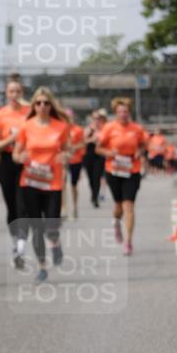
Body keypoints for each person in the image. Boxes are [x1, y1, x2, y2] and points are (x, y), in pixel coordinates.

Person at [12, 87, 70, 282]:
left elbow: (68, 150)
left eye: (46, 103)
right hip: (30, 182)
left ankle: (55, 243)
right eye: (38, 103)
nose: (42, 106)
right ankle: (43, 266)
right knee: (37, 226)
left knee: (51, 226)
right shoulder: (26, 126)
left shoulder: (60, 126)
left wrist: (65, 156)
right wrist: (19, 157)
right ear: (34, 106)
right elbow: (16, 153)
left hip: (53, 183)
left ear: (51, 105)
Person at [96, 97, 148, 256]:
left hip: (132, 170)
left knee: (128, 206)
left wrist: (139, 151)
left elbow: (143, 145)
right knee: (118, 206)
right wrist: (109, 152)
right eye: (119, 111)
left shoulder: (137, 128)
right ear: (115, 113)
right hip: (114, 170)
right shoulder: (109, 128)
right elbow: (98, 148)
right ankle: (116, 223)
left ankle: (128, 242)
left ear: (129, 112)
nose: (123, 114)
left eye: (125, 111)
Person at [0, 78, 29, 267]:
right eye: (11, 91)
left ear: (22, 93)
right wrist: (13, 138)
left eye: (17, 91)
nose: (14, 95)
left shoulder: (29, 112)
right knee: (12, 206)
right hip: (6, 162)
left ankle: (21, 248)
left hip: (24, 162)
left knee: (23, 206)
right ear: (6, 94)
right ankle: (15, 244)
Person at [83, 109, 107, 208]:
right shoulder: (88, 129)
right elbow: (83, 142)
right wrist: (92, 139)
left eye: (99, 118)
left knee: (97, 177)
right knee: (90, 178)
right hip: (89, 155)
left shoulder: (104, 129)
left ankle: (95, 197)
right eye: (95, 118)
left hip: (99, 156)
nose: (97, 120)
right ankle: (93, 193)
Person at [65, 111, 86, 219]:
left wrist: (73, 147)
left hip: (75, 160)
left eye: (70, 117)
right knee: (62, 185)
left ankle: (74, 206)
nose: (68, 119)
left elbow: (83, 144)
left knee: (73, 185)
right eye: (66, 117)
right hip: (63, 161)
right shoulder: (60, 129)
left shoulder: (78, 130)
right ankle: (63, 209)